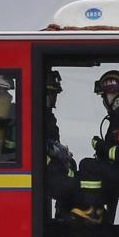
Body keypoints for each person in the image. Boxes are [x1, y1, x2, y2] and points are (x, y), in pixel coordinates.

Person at [87, 70, 119, 221]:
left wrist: (101, 147)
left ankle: (92, 221)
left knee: (87, 166)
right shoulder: (118, 116)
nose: (105, 99)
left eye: (107, 94)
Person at [42, 71, 82, 220]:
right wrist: (54, 153)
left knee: (73, 174)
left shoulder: (48, 116)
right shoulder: (35, 115)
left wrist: (62, 154)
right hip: (42, 172)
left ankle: (62, 217)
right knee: (72, 187)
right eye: (52, 94)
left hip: (50, 170)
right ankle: (65, 220)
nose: (54, 98)